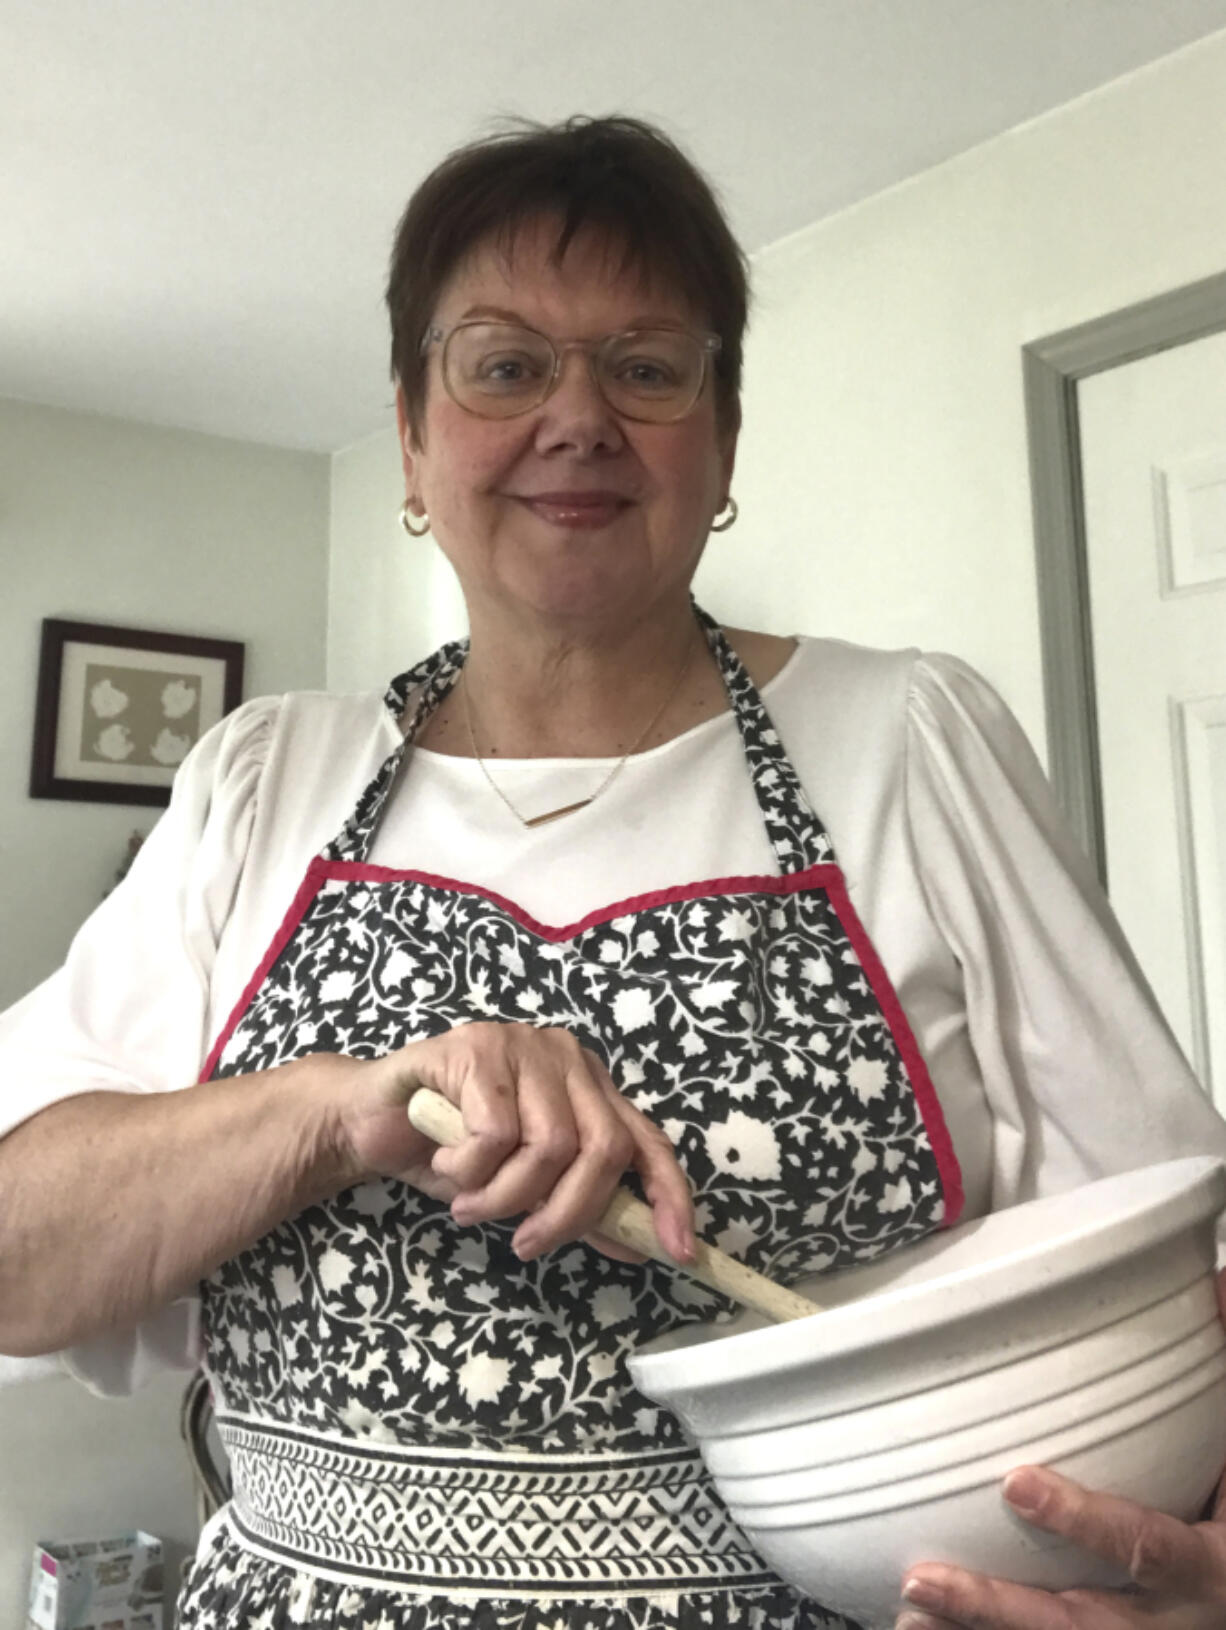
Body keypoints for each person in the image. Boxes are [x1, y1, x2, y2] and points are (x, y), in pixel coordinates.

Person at [2, 115, 1226, 1630]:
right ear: (408, 433)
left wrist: (1191, 1579)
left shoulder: (905, 736)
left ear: (720, 437)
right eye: (504, 364)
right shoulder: (265, 780)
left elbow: (1177, 1267)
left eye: (646, 366)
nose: (576, 417)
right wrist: (334, 1103)